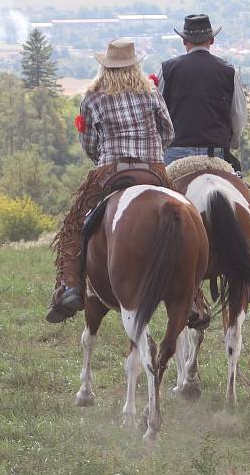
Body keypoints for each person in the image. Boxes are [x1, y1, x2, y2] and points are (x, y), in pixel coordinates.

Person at [46, 40, 176, 323]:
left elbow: (89, 144)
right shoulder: (151, 91)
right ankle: (194, 299)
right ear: (135, 65)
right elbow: (168, 132)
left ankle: (69, 286)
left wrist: (103, 158)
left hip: (111, 172)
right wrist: (152, 153)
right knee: (183, 217)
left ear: (105, 67)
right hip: (153, 169)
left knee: (74, 224)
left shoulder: (93, 97)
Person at [156, 14, 247, 167]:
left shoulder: (167, 69)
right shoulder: (228, 71)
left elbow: (156, 110)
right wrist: (233, 142)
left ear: (184, 41)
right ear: (211, 40)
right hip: (215, 153)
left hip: (175, 152)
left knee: (158, 190)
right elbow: (238, 114)